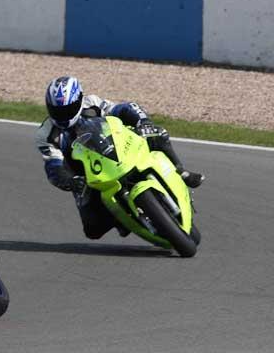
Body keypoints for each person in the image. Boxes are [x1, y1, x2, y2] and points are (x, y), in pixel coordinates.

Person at [36, 76, 204, 240]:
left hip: (119, 148)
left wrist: (143, 121)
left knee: (157, 134)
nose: (63, 115)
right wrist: (70, 181)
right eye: (57, 110)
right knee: (92, 230)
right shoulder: (46, 134)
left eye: (68, 109)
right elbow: (53, 167)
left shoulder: (92, 103)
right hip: (87, 176)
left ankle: (181, 172)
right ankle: (121, 217)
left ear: (79, 99)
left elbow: (124, 108)